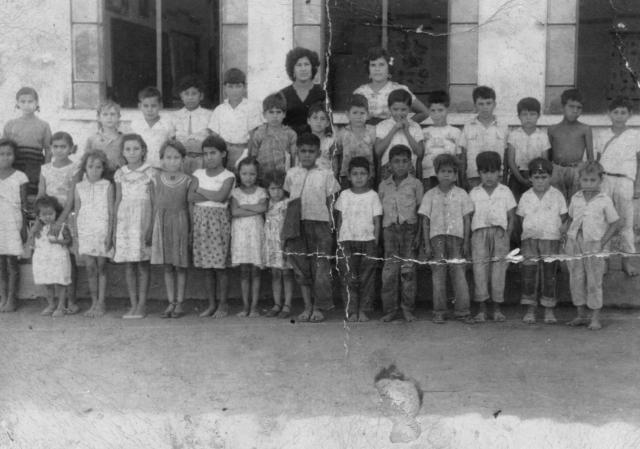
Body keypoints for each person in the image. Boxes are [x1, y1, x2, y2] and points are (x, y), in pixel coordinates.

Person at [284, 133, 340, 322]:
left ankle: (318, 307)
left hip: (320, 224)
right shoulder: (292, 173)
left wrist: (331, 223)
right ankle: (307, 306)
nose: (307, 155)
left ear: (318, 153)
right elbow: (288, 198)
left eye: (311, 151)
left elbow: (331, 200)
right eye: (303, 151)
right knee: (301, 267)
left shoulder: (326, 174)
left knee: (320, 268)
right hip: (297, 225)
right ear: (297, 152)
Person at [564, 161, 621, 330]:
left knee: (594, 280)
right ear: (579, 180)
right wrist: (566, 236)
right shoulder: (576, 198)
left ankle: (595, 317)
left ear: (600, 181)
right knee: (576, 277)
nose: (588, 184)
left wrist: (603, 242)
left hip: (595, 244)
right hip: (575, 242)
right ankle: (581, 315)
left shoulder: (604, 200)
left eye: (592, 180)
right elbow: (571, 218)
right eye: (585, 180)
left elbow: (615, 223)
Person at [419, 154, 474, 324]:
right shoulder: (430, 195)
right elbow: (425, 220)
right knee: (438, 276)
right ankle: (439, 311)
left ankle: (463, 311)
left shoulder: (462, 194)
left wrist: (466, 241)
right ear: (436, 173)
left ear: (456, 174)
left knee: (458, 274)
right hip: (437, 239)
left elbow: (466, 219)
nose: (447, 175)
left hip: (457, 239)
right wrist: (427, 244)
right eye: (443, 171)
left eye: (450, 171)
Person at [188, 135, 235, 318]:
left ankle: (223, 305)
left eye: (213, 153)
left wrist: (199, 190)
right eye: (205, 153)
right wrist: (211, 193)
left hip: (218, 222)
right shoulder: (198, 174)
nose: (209, 157)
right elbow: (190, 198)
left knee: (220, 267)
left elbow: (221, 197)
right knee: (207, 268)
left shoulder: (228, 176)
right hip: (200, 222)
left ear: (223, 154)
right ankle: (211, 304)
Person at [516, 158, 567, 324]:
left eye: (544, 177)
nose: (540, 181)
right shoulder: (526, 196)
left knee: (549, 275)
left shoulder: (557, 195)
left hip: (550, 240)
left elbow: (564, 217)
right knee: (529, 275)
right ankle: (530, 309)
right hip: (530, 241)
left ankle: (549, 310)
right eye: (536, 177)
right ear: (530, 178)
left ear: (550, 177)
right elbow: (520, 218)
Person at [595, 96, 640, 277]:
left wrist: (637, 186)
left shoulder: (635, 135)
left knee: (626, 223)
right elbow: (598, 163)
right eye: (615, 112)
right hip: (605, 180)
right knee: (605, 221)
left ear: (629, 115)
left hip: (625, 181)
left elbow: (639, 162)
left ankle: (626, 262)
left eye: (623, 112)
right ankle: (604, 261)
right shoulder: (602, 135)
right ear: (609, 114)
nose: (619, 116)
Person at [378, 145, 424, 322]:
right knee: (389, 272)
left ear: (410, 163)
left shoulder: (416, 184)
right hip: (389, 231)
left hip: (409, 231)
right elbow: (380, 211)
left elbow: (420, 211)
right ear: (389, 164)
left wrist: (419, 235)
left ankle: (407, 308)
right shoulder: (384, 185)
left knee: (408, 271)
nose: (400, 165)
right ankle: (389, 310)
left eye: (404, 161)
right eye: (396, 161)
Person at [469, 151, 516, 322]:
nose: (489, 176)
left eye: (493, 172)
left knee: (498, 272)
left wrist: (507, 236)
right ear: (479, 173)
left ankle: (497, 308)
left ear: (499, 172)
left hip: (499, 234)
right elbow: (469, 217)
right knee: (480, 271)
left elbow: (511, 217)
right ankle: (481, 309)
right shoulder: (474, 192)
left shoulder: (505, 191)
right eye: (484, 172)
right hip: (479, 234)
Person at [335, 157, 382, 322]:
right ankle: (351, 310)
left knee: (367, 278)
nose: (359, 177)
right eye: (355, 174)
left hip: (367, 241)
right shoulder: (344, 195)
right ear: (349, 176)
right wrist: (339, 241)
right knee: (349, 277)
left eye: (363, 173)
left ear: (369, 175)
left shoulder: (373, 196)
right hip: (346, 240)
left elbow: (377, 221)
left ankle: (364, 310)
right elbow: (339, 220)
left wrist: (375, 242)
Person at [112, 134, 153, 319]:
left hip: (143, 218)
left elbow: (153, 201)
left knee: (143, 264)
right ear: (122, 152)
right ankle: (133, 304)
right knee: (129, 264)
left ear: (143, 150)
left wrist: (151, 226)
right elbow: (118, 200)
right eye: (128, 149)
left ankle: (143, 305)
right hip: (125, 220)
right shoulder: (120, 173)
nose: (132, 152)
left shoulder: (150, 172)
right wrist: (114, 228)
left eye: (136, 148)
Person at [38, 131, 80, 314]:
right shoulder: (45, 168)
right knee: (50, 257)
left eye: (63, 146)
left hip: (66, 216)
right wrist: (41, 217)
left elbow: (72, 197)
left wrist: (61, 219)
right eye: (55, 146)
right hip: (47, 216)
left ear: (70, 148)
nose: (59, 150)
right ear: (50, 148)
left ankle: (71, 300)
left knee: (68, 258)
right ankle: (53, 301)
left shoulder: (75, 168)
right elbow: (41, 193)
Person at [150, 140, 192, 319]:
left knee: (180, 265)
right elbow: (154, 205)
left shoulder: (188, 180)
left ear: (182, 160)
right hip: (162, 222)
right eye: (168, 157)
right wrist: (151, 227)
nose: (172, 161)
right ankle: (170, 302)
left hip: (180, 222)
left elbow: (189, 206)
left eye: (176, 157)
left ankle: (180, 302)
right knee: (167, 266)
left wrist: (190, 229)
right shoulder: (155, 179)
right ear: (162, 160)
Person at [73, 150, 114, 317]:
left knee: (102, 266)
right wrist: (76, 236)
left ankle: (102, 303)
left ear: (103, 169)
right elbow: (76, 212)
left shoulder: (107, 185)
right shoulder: (79, 187)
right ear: (85, 167)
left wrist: (110, 235)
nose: (94, 170)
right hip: (86, 231)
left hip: (102, 230)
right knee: (90, 267)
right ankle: (94, 302)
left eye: (98, 167)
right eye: (90, 166)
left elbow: (111, 213)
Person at [230, 157, 268, 317]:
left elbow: (263, 208)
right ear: (239, 174)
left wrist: (243, 206)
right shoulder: (235, 192)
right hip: (241, 235)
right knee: (244, 271)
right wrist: (254, 209)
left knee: (255, 271)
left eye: (252, 174)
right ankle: (245, 306)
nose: (248, 177)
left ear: (257, 174)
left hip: (256, 234)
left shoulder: (261, 192)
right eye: (244, 173)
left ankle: (254, 307)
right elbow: (234, 212)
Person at [353, 47, 428, 125]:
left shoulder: (400, 89)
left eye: (381, 65)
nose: (377, 69)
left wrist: (403, 125)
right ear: (368, 69)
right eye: (373, 65)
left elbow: (424, 112)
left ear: (389, 68)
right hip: (368, 135)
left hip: (393, 134)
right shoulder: (360, 92)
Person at [208, 68, 263, 171]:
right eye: (230, 87)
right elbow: (214, 138)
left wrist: (248, 155)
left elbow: (253, 136)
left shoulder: (252, 107)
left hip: (244, 150)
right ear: (224, 88)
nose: (234, 91)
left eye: (238, 86)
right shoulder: (219, 110)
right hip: (223, 152)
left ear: (244, 87)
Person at [3, 87, 52, 199]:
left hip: (35, 165)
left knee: (32, 196)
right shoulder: (11, 124)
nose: (26, 104)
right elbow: (4, 148)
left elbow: (48, 150)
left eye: (30, 101)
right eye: (23, 101)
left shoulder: (43, 125)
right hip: (15, 164)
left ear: (36, 103)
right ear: (17, 103)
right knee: (15, 195)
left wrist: (46, 171)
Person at [28, 195, 72, 317]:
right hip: (44, 259)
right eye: (44, 214)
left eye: (50, 214)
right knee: (47, 282)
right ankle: (51, 304)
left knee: (60, 282)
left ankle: (61, 306)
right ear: (38, 216)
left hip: (58, 258)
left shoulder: (61, 227)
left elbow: (69, 241)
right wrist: (32, 241)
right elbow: (33, 243)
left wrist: (58, 241)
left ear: (56, 213)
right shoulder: (37, 228)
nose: (48, 217)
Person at [547, 89, 593, 200]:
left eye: (579, 108)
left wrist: (584, 169)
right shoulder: (553, 129)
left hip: (577, 170)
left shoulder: (585, 129)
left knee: (576, 203)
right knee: (557, 203)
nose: (575, 111)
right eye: (571, 106)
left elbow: (591, 157)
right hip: (557, 170)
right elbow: (548, 157)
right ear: (563, 107)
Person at [458, 86, 507, 190]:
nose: (485, 107)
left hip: (497, 176)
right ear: (475, 105)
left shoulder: (503, 126)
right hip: (473, 176)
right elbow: (463, 155)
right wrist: (462, 178)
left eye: (488, 103)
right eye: (481, 104)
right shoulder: (468, 126)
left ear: (494, 104)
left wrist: (505, 178)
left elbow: (506, 155)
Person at [262, 170, 295, 319]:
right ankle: (277, 304)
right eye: (272, 188)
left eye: (279, 188)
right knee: (275, 274)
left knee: (287, 274)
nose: (276, 192)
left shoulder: (287, 203)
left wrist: (286, 242)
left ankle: (287, 304)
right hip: (271, 243)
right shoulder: (265, 203)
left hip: (284, 242)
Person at [0, 139, 28, 313]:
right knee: (0, 262)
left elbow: (25, 204)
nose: (5, 157)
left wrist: (24, 226)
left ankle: (12, 298)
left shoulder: (20, 176)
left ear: (15, 156)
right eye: (1, 154)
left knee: (12, 261)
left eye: (9, 154)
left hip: (13, 220)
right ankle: (2, 296)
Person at [506, 97, 551, 201]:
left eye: (532, 114)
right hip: (517, 175)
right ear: (519, 116)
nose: (528, 118)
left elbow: (545, 161)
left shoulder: (543, 136)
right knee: (516, 203)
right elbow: (511, 161)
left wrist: (537, 178)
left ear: (538, 116)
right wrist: (521, 179)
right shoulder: (514, 135)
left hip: (537, 175)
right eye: (524, 114)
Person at [374, 89, 424, 180]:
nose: (399, 113)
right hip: (388, 169)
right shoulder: (382, 126)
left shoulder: (415, 126)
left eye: (403, 109)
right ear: (389, 108)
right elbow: (377, 152)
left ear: (409, 109)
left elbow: (420, 153)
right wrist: (394, 129)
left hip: (409, 170)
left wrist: (406, 132)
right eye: (395, 109)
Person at [248, 92, 297, 185]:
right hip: (262, 178)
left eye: (278, 112)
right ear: (264, 114)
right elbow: (253, 158)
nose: (275, 116)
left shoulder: (290, 134)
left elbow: (294, 158)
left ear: (284, 114)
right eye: (271, 112)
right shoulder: (259, 133)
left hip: (283, 178)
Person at [279, 47, 326, 136]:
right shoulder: (283, 94)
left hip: (315, 143)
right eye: (299, 65)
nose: (303, 69)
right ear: (292, 69)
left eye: (306, 64)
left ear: (312, 68)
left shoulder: (322, 93)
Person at [421, 90, 461, 191]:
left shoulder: (455, 132)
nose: (436, 114)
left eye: (440, 110)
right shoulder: (423, 132)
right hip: (428, 177)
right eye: (433, 110)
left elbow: (459, 158)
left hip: (449, 177)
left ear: (448, 109)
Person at [171, 75, 212, 174]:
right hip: (180, 161)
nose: (190, 97)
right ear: (181, 96)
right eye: (186, 94)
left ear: (201, 96)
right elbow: (171, 139)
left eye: (194, 94)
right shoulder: (174, 116)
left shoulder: (209, 115)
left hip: (202, 161)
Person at [335, 94, 376, 188]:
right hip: (347, 176)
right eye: (355, 113)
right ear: (347, 114)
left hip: (368, 176)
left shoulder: (372, 131)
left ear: (368, 115)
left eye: (362, 113)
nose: (358, 116)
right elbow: (337, 154)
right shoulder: (342, 133)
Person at [130, 86, 175, 169]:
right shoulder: (135, 124)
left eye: (153, 106)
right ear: (140, 106)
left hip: (162, 167)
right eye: (146, 106)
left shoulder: (167, 124)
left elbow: (172, 146)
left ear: (160, 106)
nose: (150, 109)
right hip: (141, 167)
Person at [84, 100, 124, 181]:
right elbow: (86, 160)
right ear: (98, 118)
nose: (109, 117)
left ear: (118, 117)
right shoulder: (92, 139)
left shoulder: (124, 139)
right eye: (105, 114)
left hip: (119, 176)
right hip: (98, 176)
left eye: (112, 114)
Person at [307, 103, 337, 174]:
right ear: (308, 121)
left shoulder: (331, 143)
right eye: (315, 118)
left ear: (328, 123)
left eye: (322, 119)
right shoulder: (303, 142)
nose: (318, 121)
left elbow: (335, 168)